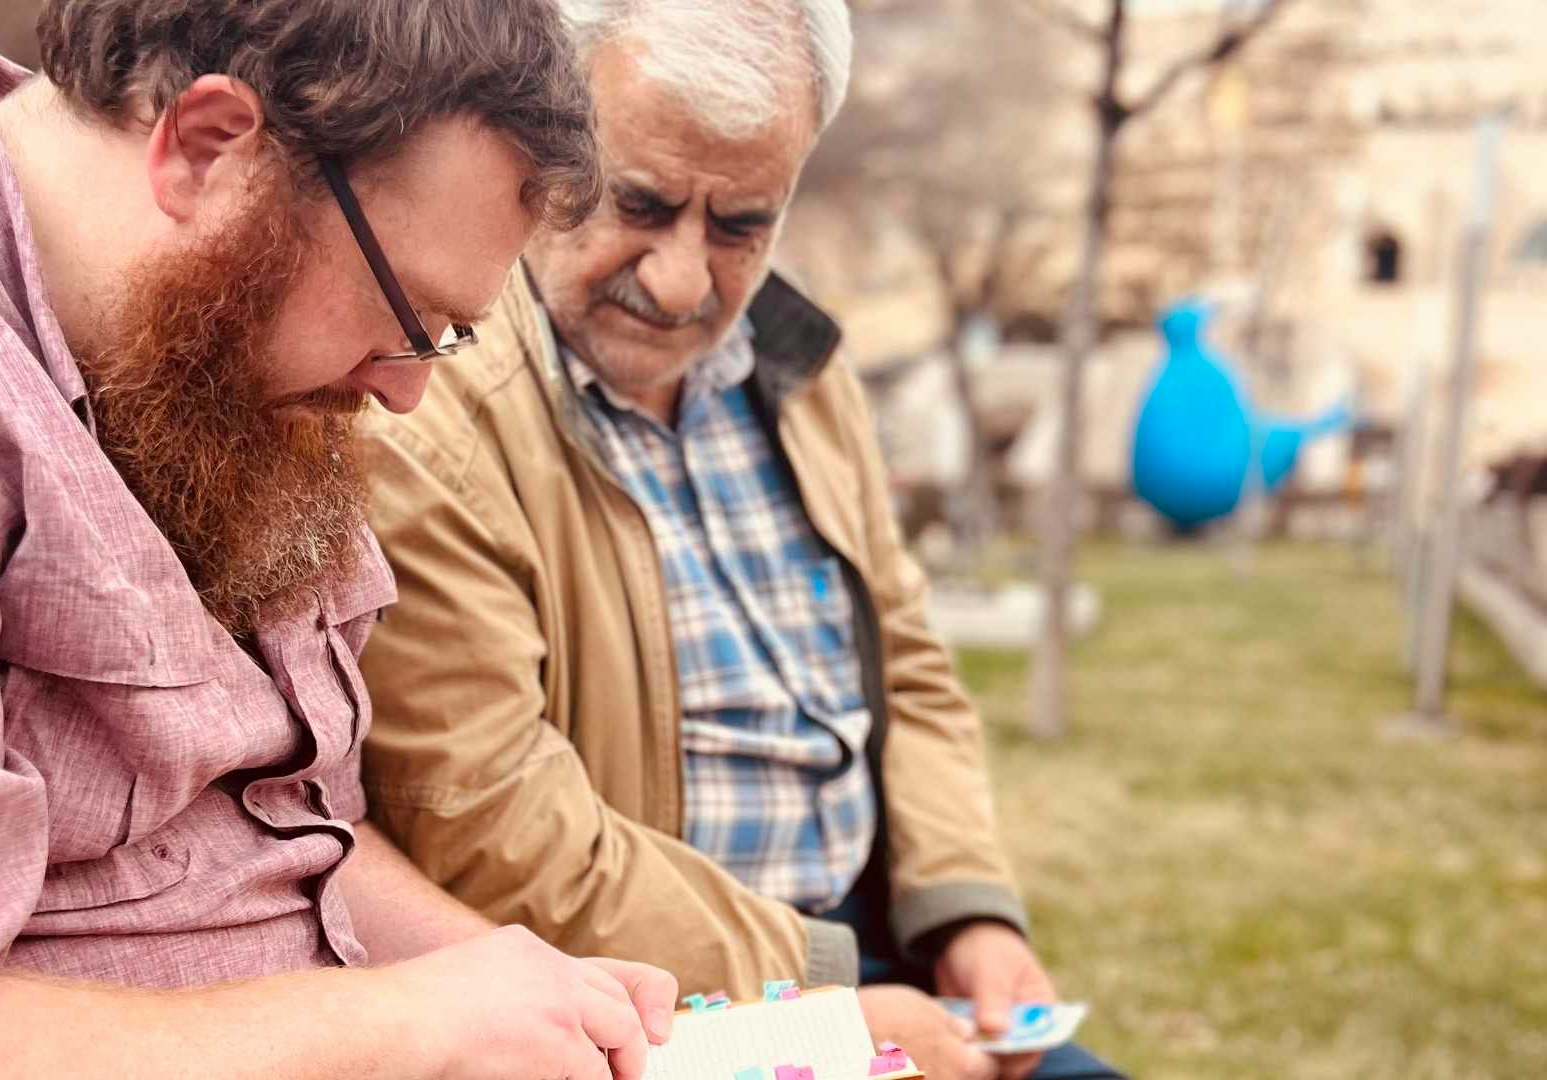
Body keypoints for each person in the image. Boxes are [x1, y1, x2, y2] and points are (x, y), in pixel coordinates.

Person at [0, 3, 679, 1077]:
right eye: (405, 312)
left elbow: (264, 836)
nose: (407, 392)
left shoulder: (186, 369)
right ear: (211, 146)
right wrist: (413, 1025)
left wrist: (532, 995)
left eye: (447, 335)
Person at [354, 2, 1122, 1078]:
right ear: (547, 140)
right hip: (657, 1006)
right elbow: (494, 829)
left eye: (739, 225)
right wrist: (828, 995)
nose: (677, 282)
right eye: (639, 202)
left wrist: (968, 916)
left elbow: (909, 667)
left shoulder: (803, 371)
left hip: (868, 950)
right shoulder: (425, 414)